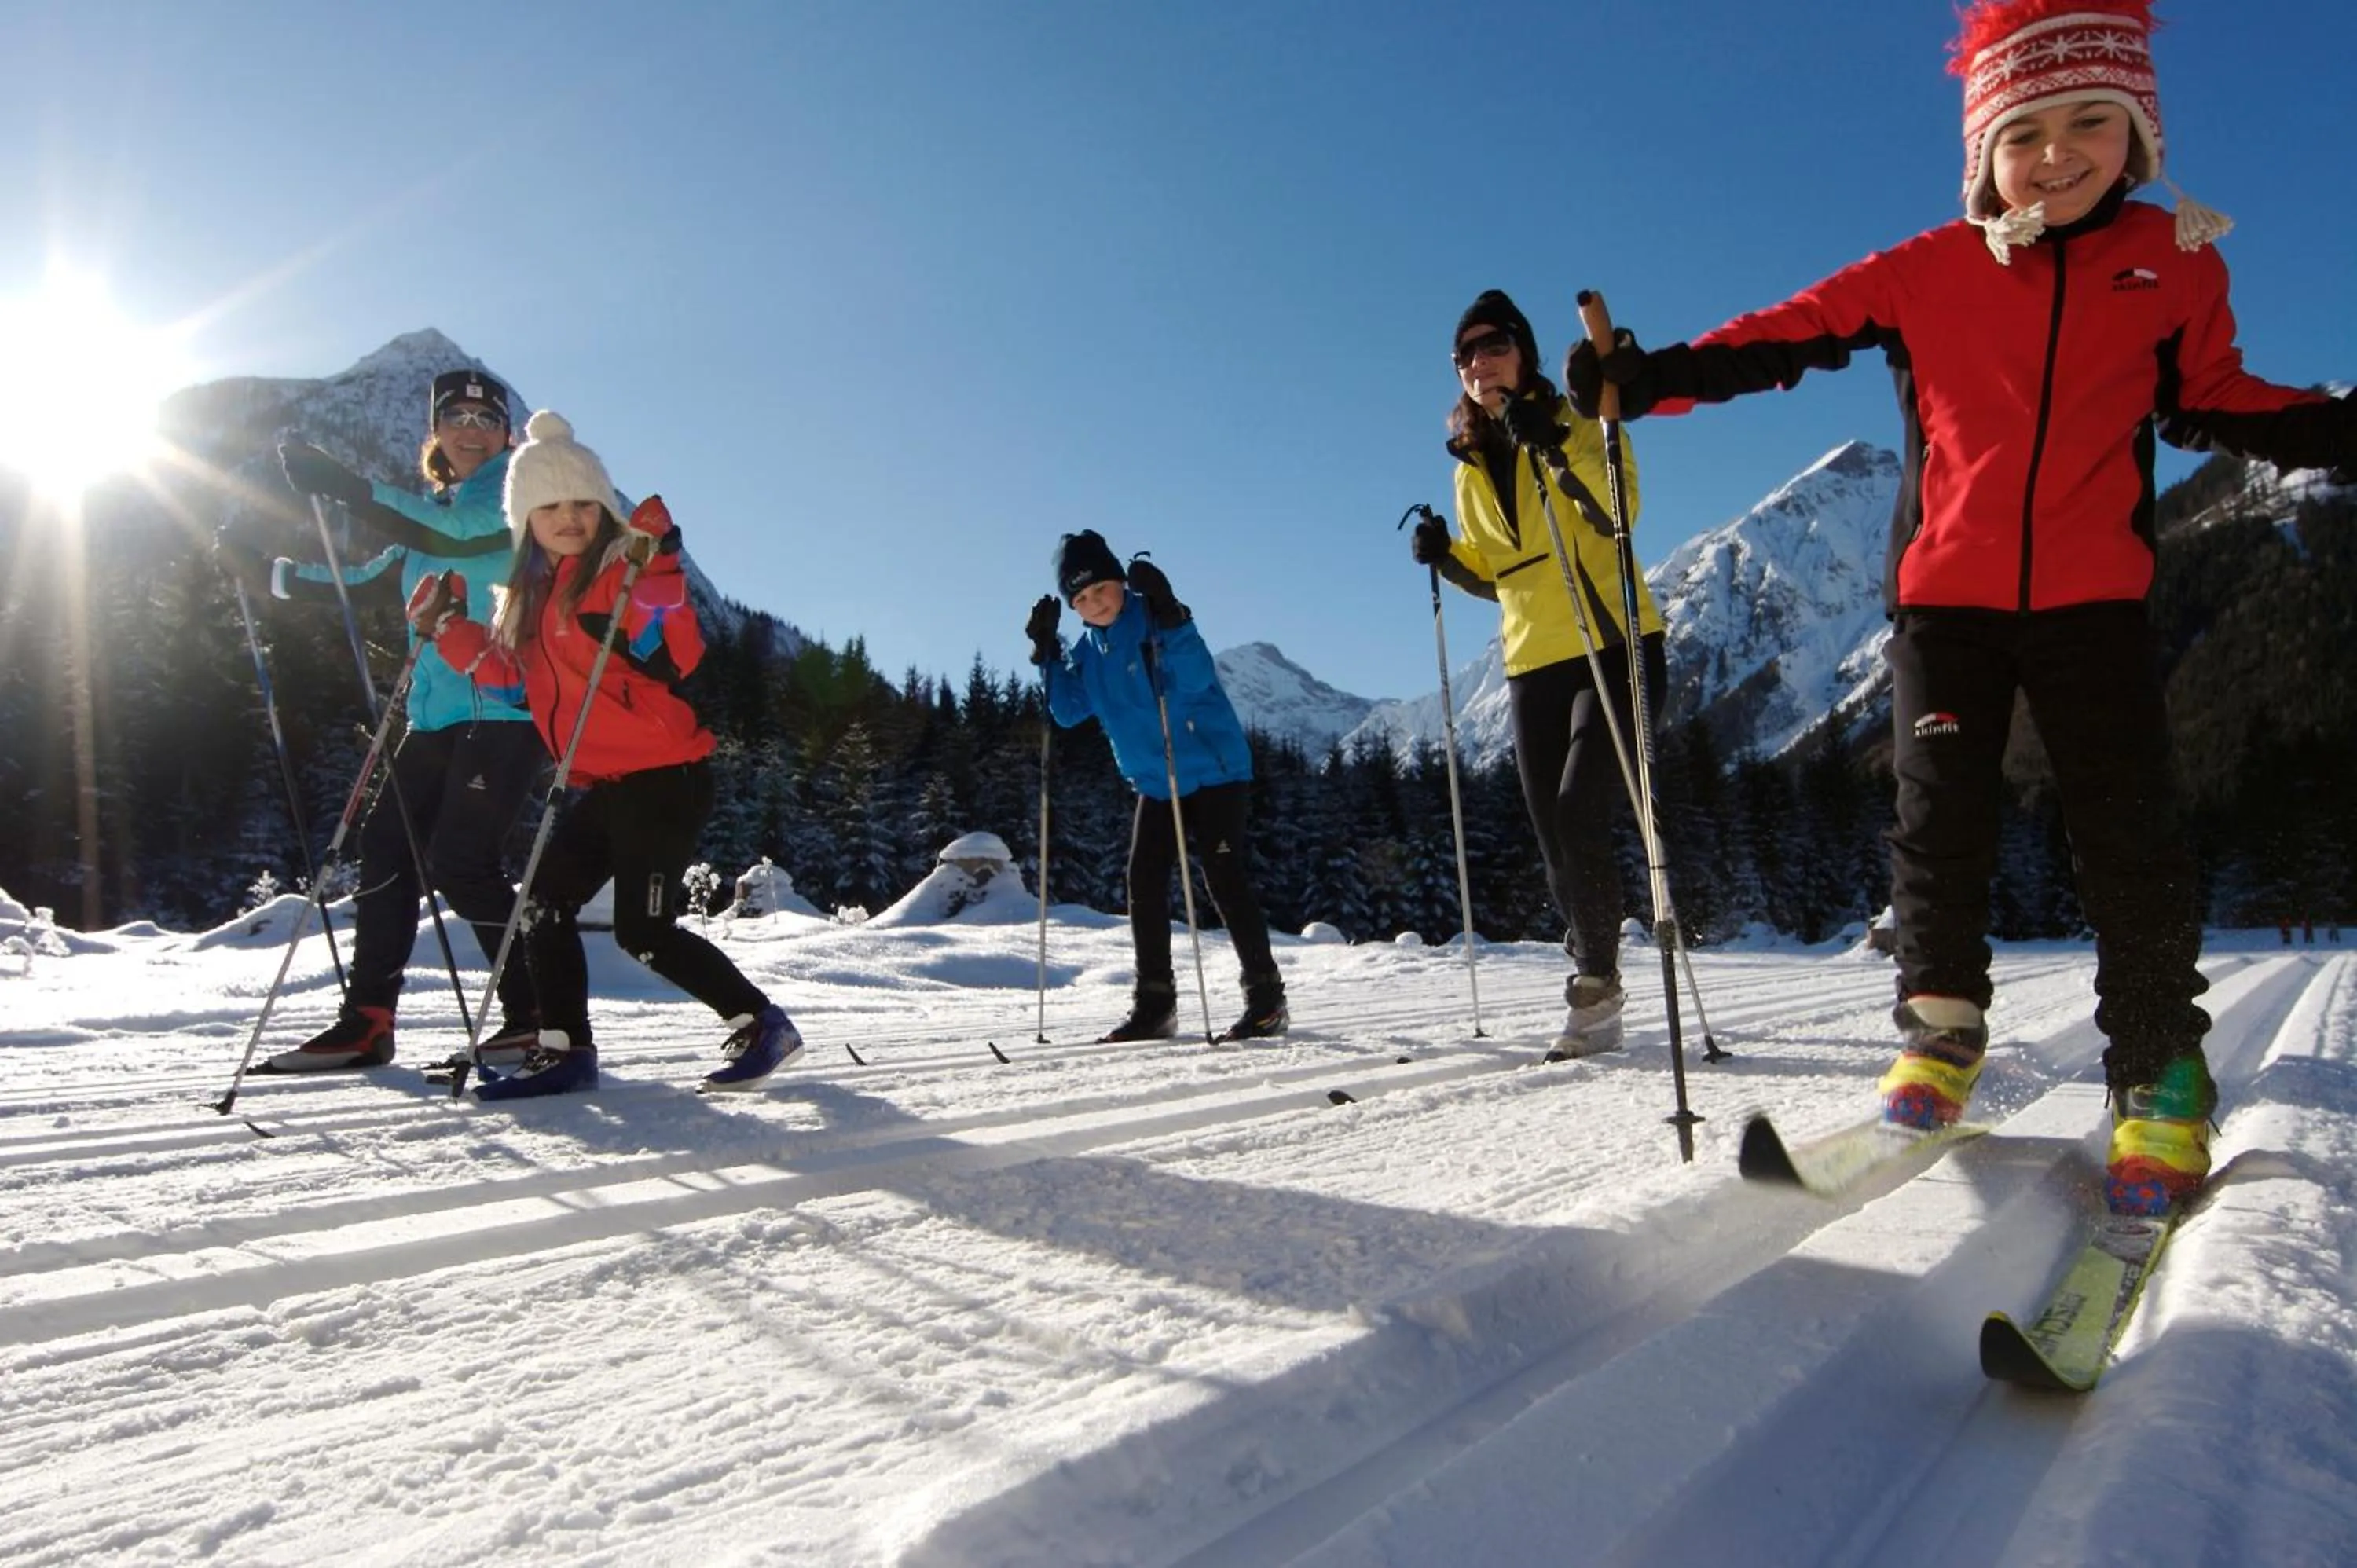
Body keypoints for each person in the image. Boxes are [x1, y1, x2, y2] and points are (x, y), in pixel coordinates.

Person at [1559, 0, 2356, 1214]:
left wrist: (2336, 426)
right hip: (1946, 605)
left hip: (2096, 601)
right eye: (2023, 132)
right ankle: (1939, 1038)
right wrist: (1646, 378)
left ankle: (2158, 1071)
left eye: (2091, 121)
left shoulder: (2178, 260)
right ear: (1984, 152)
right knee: (1936, 825)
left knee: (2129, 834)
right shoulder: (1930, 269)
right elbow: (1786, 336)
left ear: (2139, 135)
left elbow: (2212, 399)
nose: (2057, 153)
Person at [410, 411, 805, 1100]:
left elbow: (675, 654)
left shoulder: (621, 574)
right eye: (550, 506)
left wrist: (664, 573)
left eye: (583, 504)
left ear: (603, 511)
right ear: (526, 520)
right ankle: (565, 1051)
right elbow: (514, 683)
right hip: (611, 783)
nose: (568, 518)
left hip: (665, 776)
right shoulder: (530, 599)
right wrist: (450, 631)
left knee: (642, 931)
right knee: (542, 902)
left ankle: (762, 1025)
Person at [230, 369, 544, 1071]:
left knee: (462, 861)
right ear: (435, 432)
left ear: (506, 435)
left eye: (486, 419)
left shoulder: (514, 495)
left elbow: (461, 541)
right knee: (386, 851)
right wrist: (268, 574)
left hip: (503, 710)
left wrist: (349, 488)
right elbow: (367, 581)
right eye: (456, 417)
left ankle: (537, 1017)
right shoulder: (428, 518)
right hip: (431, 718)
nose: (470, 430)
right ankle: (368, 1019)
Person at [1409, 289, 1665, 1057]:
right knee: (1554, 835)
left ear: (1523, 352)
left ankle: (1596, 985)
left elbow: (1617, 513)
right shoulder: (1468, 466)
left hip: (1611, 642)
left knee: (1580, 809)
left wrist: (1552, 445)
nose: (1478, 363)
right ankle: (1594, 955)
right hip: (1531, 661)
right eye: (1464, 355)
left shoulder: (1580, 418)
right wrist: (1447, 555)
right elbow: (1502, 572)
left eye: (1493, 346)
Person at [1025, 530, 1287, 1043]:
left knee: (1223, 875)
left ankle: (1266, 998)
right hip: (1156, 782)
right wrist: (1047, 653)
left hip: (1214, 769)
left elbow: (1195, 679)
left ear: (1120, 582)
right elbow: (1069, 711)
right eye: (1081, 598)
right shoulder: (1089, 652)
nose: (1095, 603)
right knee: (1143, 881)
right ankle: (1155, 1006)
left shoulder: (1156, 621)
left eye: (1101, 589)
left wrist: (1173, 614)